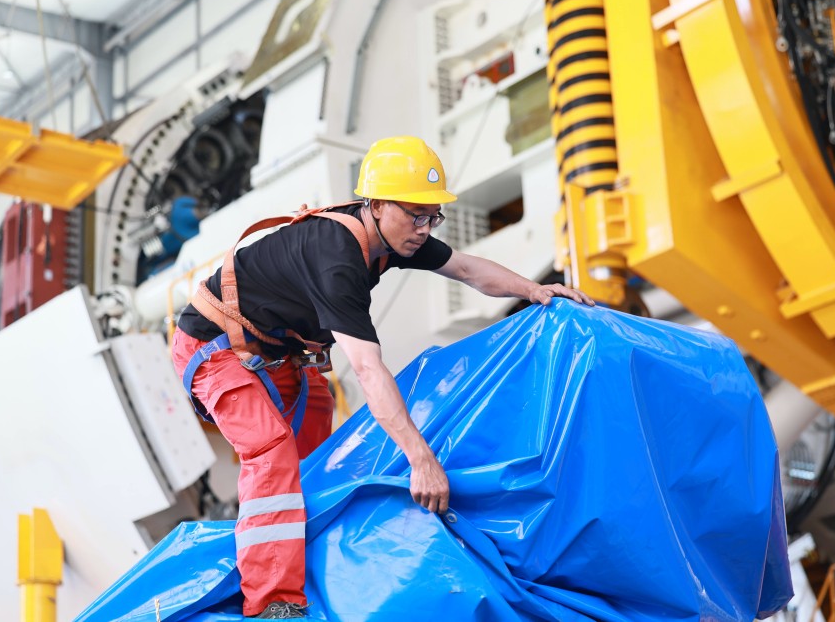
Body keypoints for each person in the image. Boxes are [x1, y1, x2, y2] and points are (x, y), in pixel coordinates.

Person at [171, 135, 594, 619]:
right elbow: (369, 370)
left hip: (275, 353)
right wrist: (420, 459)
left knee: (318, 440)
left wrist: (536, 290)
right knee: (270, 450)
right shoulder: (337, 259)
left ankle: (307, 553)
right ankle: (273, 602)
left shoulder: (393, 237)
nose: (424, 228)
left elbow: (467, 268)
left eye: (432, 216)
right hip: (215, 347)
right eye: (416, 215)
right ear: (376, 205)